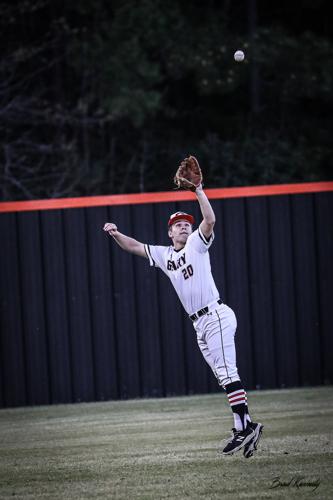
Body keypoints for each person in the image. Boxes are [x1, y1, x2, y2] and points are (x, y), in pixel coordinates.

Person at [103, 181, 263, 457]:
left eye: (187, 223)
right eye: (178, 224)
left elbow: (210, 219)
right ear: (169, 232)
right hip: (199, 324)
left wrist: (198, 190)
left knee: (228, 372)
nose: (184, 226)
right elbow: (135, 246)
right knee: (222, 377)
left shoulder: (197, 245)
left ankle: (242, 428)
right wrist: (115, 233)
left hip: (216, 315)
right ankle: (249, 425)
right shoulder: (165, 255)